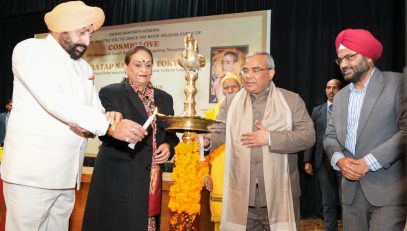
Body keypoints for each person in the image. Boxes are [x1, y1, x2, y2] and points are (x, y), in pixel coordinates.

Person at [1, 2, 141, 230]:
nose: (87, 41)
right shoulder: (30, 50)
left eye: (90, 33)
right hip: (32, 178)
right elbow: (54, 102)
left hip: (67, 177)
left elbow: (95, 109)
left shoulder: (83, 68)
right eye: (82, 32)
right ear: (61, 27)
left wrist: (108, 119)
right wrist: (108, 127)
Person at [205, 51, 315, 230]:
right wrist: (207, 142)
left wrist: (270, 137)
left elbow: (308, 136)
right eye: (245, 70)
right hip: (241, 199)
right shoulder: (231, 103)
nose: (248, 75)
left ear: (271, 73)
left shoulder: (291, 101)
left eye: (255, 70)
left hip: (281, 197)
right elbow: (219, 132)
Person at [82, 46, 179, 231]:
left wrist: (168, 145)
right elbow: (105, 130)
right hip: (118, 177)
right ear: (126, 68)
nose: (144, 70)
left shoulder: (165, 99)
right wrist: (114, 124)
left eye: (148, 65)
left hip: (151, 178)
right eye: (138, 64)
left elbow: (172, 135)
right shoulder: (111, 93)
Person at [323, 28, 407, 231]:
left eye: (350, 57)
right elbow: (330, 136)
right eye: (340, 60)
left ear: (369, 57)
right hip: (351, 194)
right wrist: (339, 160)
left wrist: (369, 162)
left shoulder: (397, 84)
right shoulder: (341, 96)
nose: (343, 64)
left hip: (388, 192)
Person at [203, 72, 242, 231]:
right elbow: (202, 145)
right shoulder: (210, 115)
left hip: (243, 171)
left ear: (241, 89)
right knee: (220, 219)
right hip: (219, 171)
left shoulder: (248, 111)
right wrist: (205, 172)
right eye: (226, 87)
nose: (230, 90)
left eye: (234, 86)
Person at [303, 79, 342, 231]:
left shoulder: (348, 108)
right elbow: (312, 137)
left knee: (346, 201)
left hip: (344, 161)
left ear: (340, 90)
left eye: (335, 88)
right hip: (323, 162)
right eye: (328, 88)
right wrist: (307, 160)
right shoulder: (317, 111)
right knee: (328, 201)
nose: (331, 91)